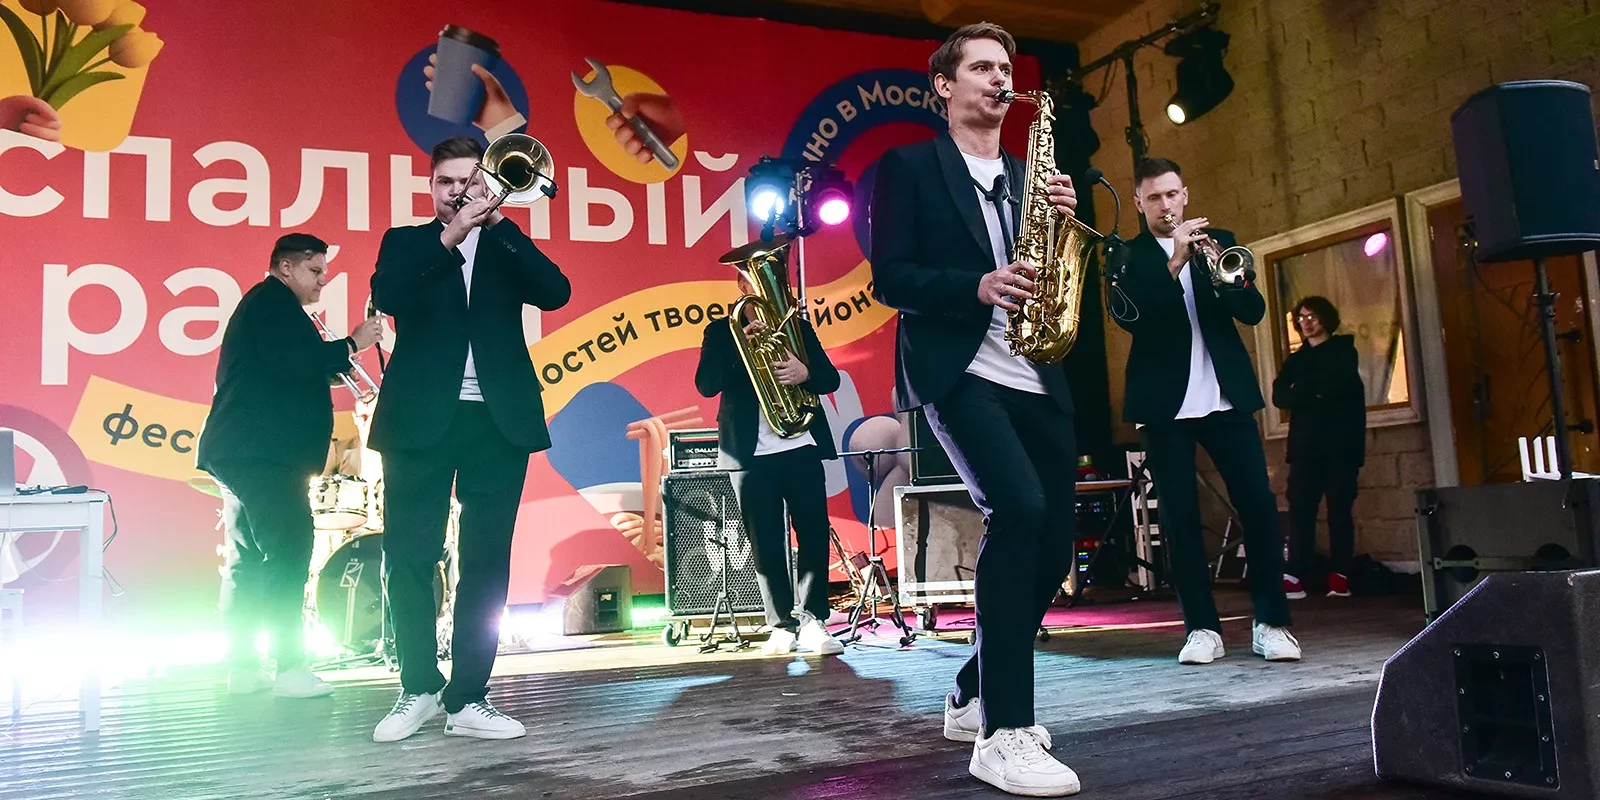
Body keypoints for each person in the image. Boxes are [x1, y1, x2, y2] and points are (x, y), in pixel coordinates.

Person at [870, 22, 1082, 798]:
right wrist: (978, 286)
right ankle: (1003, 733)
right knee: (1018, 509)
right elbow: (891, 277)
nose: (999, 79)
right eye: (983, 67)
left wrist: (1066, 219)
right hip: (960, 371)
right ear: (945, 84)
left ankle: (968, 690)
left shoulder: (1032, 175)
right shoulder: (908, 167)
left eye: (1005, 68)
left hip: (1038, 371)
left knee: (1052, 552)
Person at [367, 136, 571, 743]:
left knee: (486, 561)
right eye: (446, 182)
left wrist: (498, 224)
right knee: (410, 555)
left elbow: (556, 292)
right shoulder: (408, 242)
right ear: (430, 188)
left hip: (497, 421)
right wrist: (452, 235)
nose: (458, 190)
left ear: (487, 181)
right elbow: (389, 295)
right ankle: (418, 688)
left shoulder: (507, 243)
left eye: (468, 180)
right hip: (419, 420)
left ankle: (469, 698)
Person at [1111, 157, 1301, 666]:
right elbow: (1134, 320)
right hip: (1165, 405)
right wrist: (1173, 262)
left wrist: (1222, 276)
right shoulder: (1125, 255)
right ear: (1139, 203)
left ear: (1186, 195)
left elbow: (1253, 312)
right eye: (1154, 197)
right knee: (1181, 518)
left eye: (1172, 194)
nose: (1165, 205)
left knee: (1258, 507)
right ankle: (1201, 628)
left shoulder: (1218, 241)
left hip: (1225, 396)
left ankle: (1271, 623)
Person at [196, 232, 383, 699]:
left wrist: (334, 363)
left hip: (243, 453)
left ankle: (244, 669)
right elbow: (295, 362)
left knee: (247, 562)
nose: (323, 280)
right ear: (285, 268)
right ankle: (290, 669)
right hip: (264, 455)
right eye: (315, 270)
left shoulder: (268, 306)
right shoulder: (272, 305)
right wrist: (353, 343)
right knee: (289, 553)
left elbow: (284, 369)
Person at [694, 267, 842, 657]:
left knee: (813, 533)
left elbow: (829, 379)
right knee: (766, 541)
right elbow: (706, 385)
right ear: (742, 287)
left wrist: (804, 372)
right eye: (754, 281)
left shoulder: (798, 328)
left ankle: (814, 619)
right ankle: (780, 624)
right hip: (750, 453)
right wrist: (739, 349)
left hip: (801, 444)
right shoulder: (721, 332)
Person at [1273, 296, 1365, 599]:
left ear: (1325, 318)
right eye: (1301, 318)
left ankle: (1340, 575)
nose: (1306, 323)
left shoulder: (1343, 351)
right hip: (1304, 448)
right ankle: (1295, 574)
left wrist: (1302, 391)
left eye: (1312, 316)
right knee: (1301, 511)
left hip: (1340, 447)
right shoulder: (1296, 360)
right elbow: (1279, 396)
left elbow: (1332, 387)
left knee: (1339, 510)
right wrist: (1307, 392)